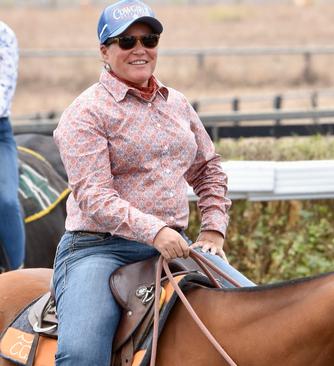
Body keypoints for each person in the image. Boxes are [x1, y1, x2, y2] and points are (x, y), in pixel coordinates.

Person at [51, 1, 254, 364]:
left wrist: (213, 231)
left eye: (150, 38)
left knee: (263, 316)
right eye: (126, 41)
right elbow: (93, 195)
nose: (140, 49)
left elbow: (208, 168)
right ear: (105, 51)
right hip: (100, 249)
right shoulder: (85, 113)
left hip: (175, 245)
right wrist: (155, 231)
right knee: (82, 353)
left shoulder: (177, 104)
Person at [0, 21, 24, 273]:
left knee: (6, 200)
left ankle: (17, 271)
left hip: (0, 131)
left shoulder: (4, 35)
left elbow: (2, 91)